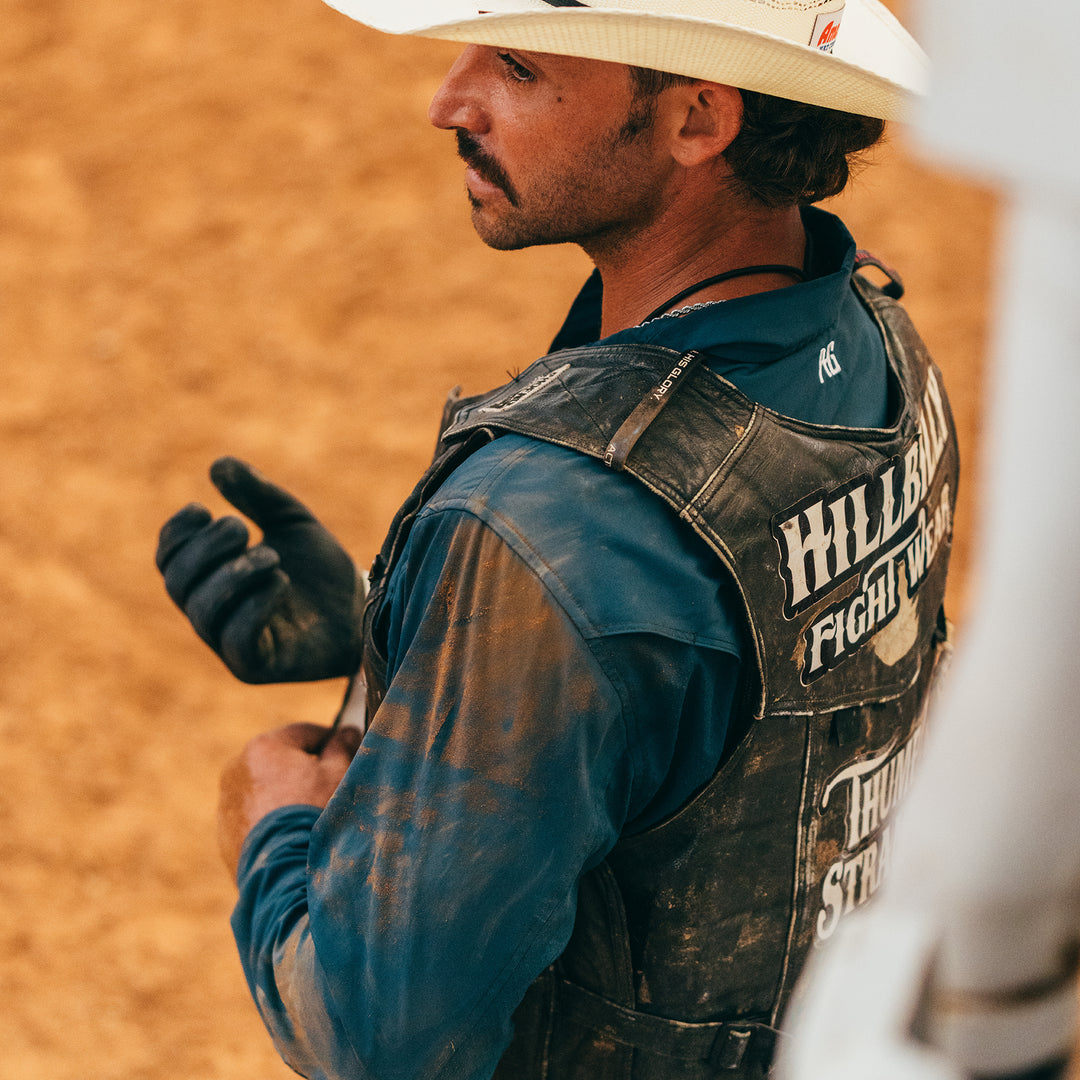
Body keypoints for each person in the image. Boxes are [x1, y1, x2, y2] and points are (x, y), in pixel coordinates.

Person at [156, 2, 959, 1077]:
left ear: (696, 119)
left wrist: (274, 830)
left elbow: (382, 1039)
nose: (449, 101)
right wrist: (415, 644)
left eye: (518, 67)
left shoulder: (547, 527)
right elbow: (735, 691)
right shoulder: (873, 342)